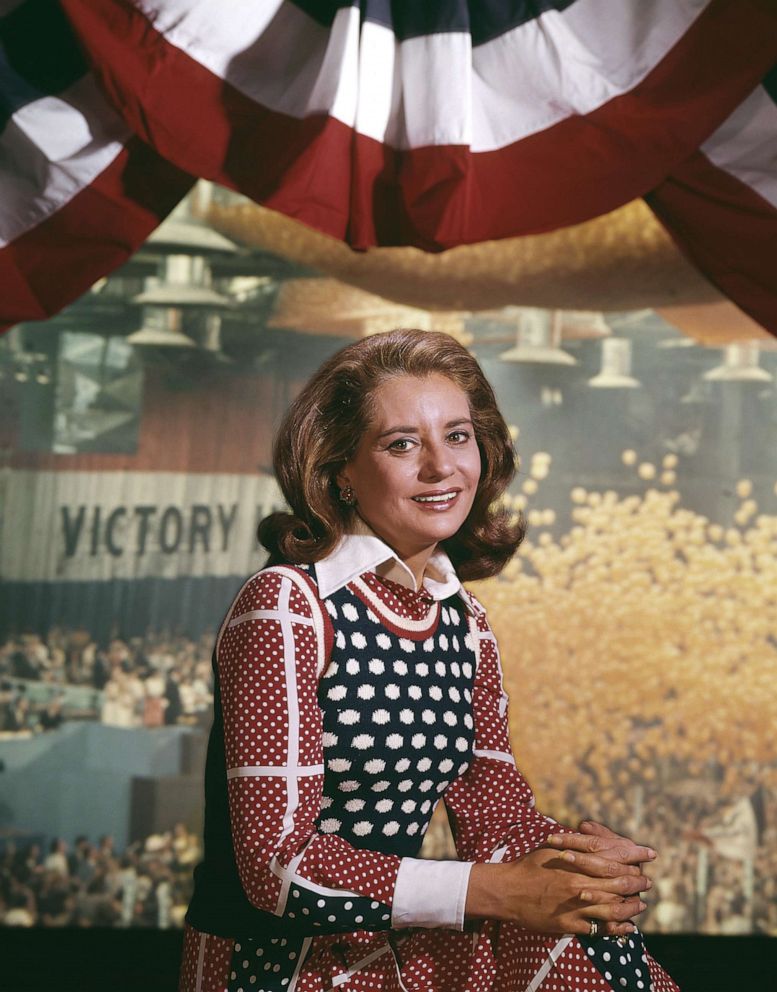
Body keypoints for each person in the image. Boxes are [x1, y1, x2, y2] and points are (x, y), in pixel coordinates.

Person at [180, 330, 677, 992]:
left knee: (600, 940)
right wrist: (494, 890)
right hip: (273, 967)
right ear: (340, 473)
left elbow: (495, 812)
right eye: (401, 443)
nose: (441, 466)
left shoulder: (464, 620)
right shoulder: (286, 605)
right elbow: (277, 869)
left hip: (404, 959)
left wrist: (576, 865)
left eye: (458, 436)